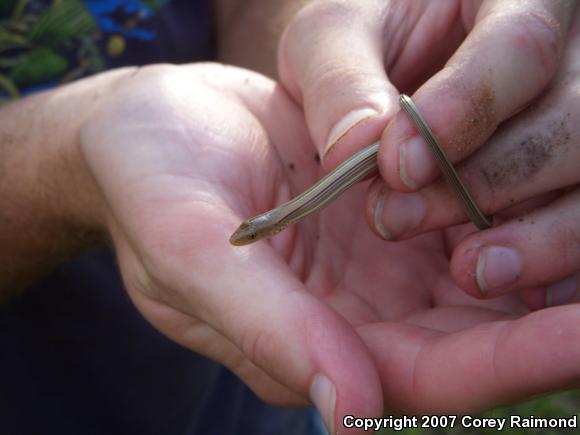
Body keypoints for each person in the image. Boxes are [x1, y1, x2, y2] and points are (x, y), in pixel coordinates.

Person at [2, 1, 580, 435]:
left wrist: (329, 39)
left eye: (249, 231)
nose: (245, 236)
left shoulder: (281, 222)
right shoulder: (274, 225)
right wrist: (70, 155)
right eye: (250, 233)